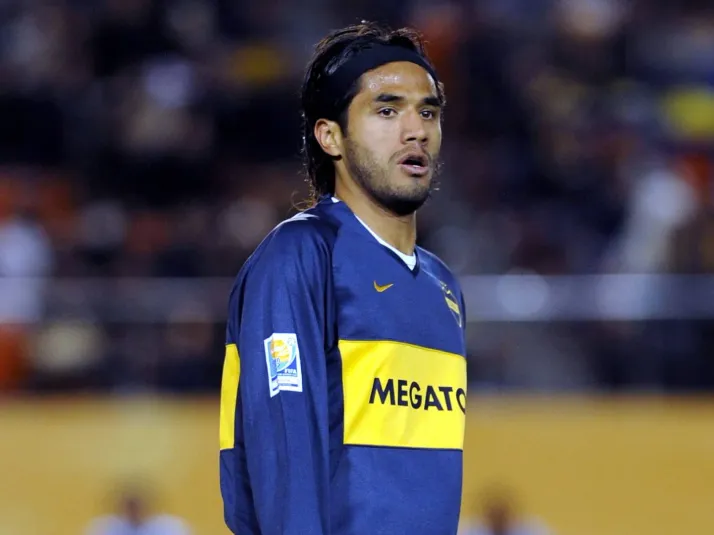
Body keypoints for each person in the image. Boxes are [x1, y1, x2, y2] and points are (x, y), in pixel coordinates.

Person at [219, 20, 467, 535]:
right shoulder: (302, 255)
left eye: (427, 112)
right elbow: (282, 446)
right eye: (387, 110)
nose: (416, 130)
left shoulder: (443, 286)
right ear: (330, 135)